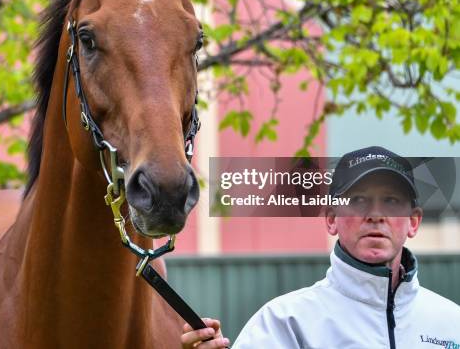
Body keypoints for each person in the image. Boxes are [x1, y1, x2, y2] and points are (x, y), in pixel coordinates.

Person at [181, 146, 460, 348]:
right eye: (359, 200)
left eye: (391, 201)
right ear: (330, 219)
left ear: (413, 222)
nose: (376, 214)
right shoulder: (286, 323)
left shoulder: (452, 324)